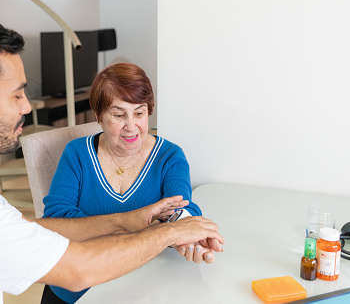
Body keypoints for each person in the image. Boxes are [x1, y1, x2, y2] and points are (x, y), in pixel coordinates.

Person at [0, 16, 224, 304]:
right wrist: (169, 233)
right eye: (16, 94)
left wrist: (128, 220)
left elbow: (33, 230)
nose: (27, 106)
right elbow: (78, 271)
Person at [41, 62, 220, 304]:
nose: (131, 126)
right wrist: (145, 227)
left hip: (141, 289)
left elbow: (181, 207)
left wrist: (185, 228)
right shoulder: (77, 153)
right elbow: (57, 221)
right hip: (77, 287)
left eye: (139, 113)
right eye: (118, 115)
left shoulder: (169, 156)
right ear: (98, 116)